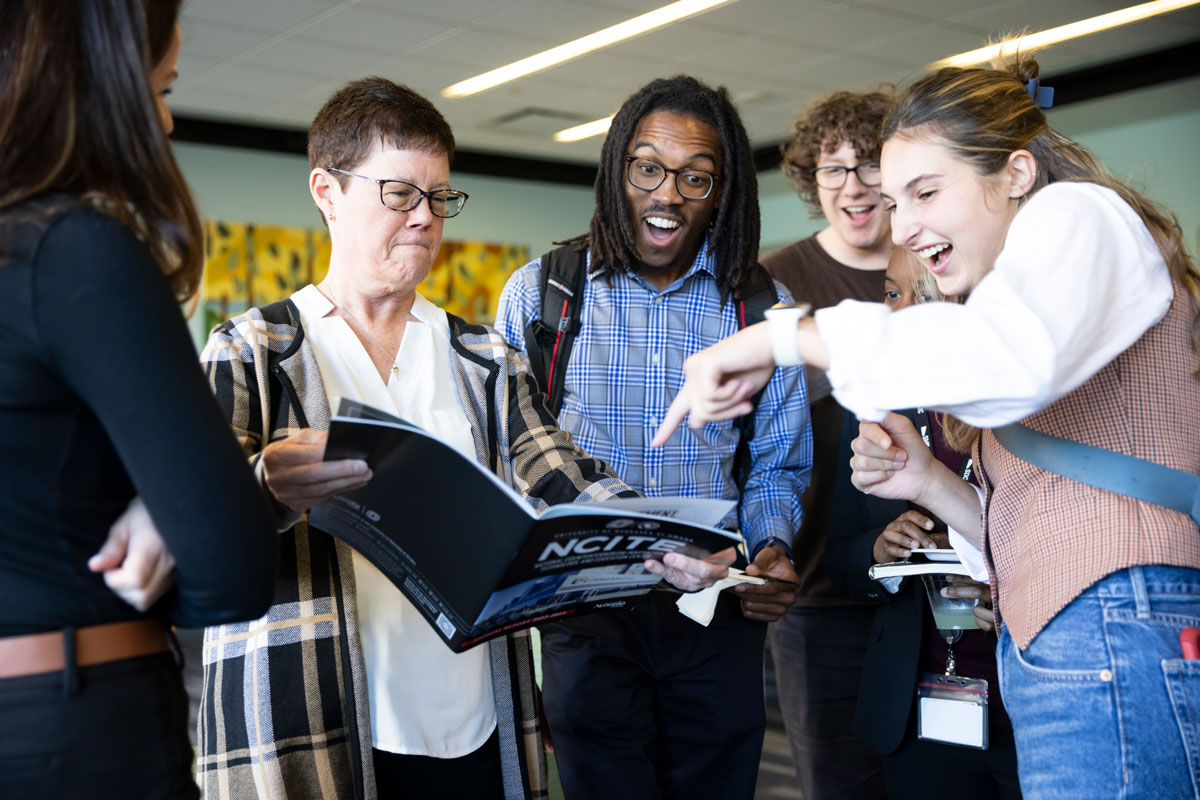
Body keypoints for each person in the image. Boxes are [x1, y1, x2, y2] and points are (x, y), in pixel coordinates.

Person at [655, 55, 1200, 798]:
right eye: (893, 200)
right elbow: (1022, 518)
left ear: (1013, 174)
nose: (903, 227)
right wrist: (927, 482)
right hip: (1068, 630)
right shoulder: (1018, 293)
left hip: (1114, 617)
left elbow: (1011, 363)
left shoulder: (1079, 215)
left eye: (925, 192)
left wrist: (778, 339)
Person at [195, 77, 728, 800]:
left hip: (474, 725)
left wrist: (655, 538)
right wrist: (264, 485)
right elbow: (189, 542)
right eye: (400, 195)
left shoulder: (481, 357)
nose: (425, 218)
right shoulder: (251, 350)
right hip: (315, 724)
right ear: (326, 190)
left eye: (439, 198)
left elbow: (559, 473)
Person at [496, 75, 811, 800]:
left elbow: (777, 466)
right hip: (587, 608)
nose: (668, 195)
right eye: (648, 168)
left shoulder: (765, 310)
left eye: (696, 178)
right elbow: (507, 451)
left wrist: (772, 551)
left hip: (716, 609)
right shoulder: (543, 292)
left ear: (722, 191)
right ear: (617, 170)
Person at [0, 2, 279, 798]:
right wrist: (172, 514)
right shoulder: (70, 249)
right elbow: (231, 568)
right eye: (160, 89)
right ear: (99, 92)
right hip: (71, 722)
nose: (164, 121)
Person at [823, 247, 1020, 799]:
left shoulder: (1020, 401)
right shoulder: (875, 409)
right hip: (919, 703)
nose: (903, 313)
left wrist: (1013, 589)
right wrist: (876, 552)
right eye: (891, 293)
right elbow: (838, 558)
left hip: (1026, 694)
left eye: (926, 294)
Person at [760, 88, 894, 800]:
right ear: (812, 181)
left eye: (869, 164)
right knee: (839, 784)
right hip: (818, 589)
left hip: (933, 584)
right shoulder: (778, 283)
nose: (852, 186)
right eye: (831, 168)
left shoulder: (933, 265)